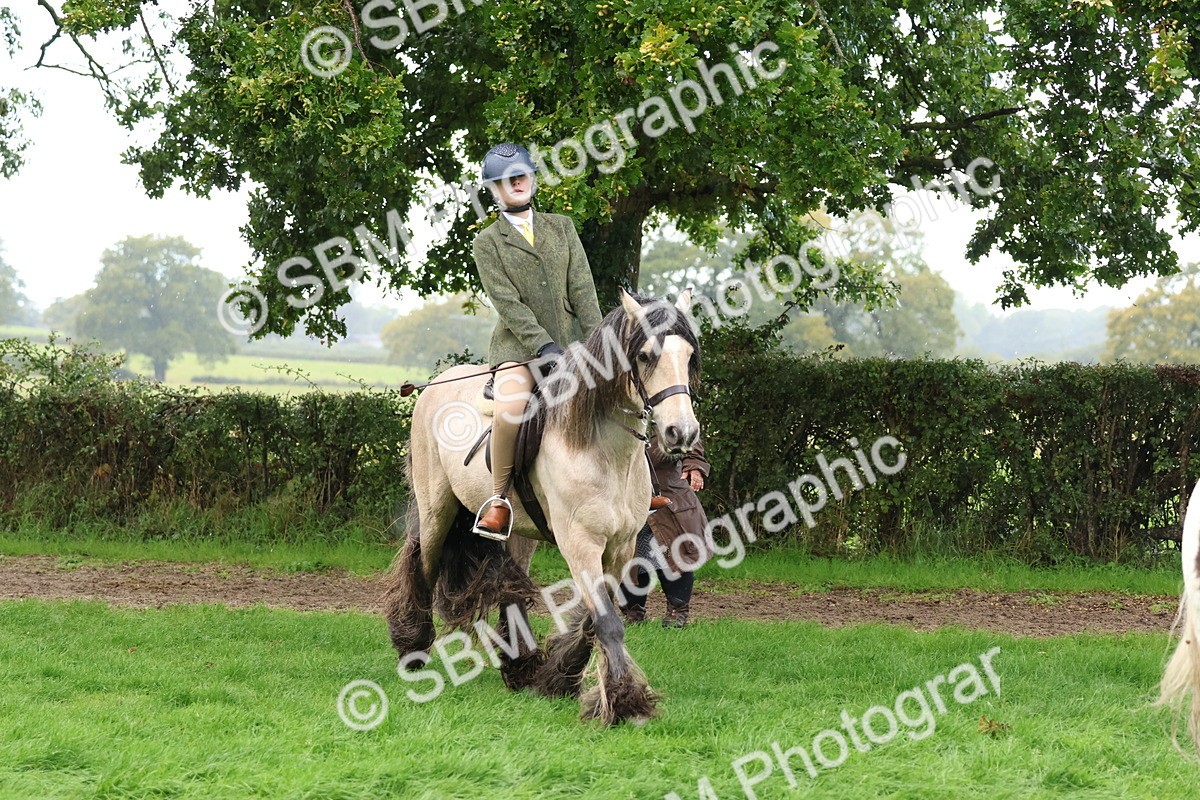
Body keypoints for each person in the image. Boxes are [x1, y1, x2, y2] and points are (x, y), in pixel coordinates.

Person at [468, 142, 607, 538]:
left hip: (574, 346)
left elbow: (583, 291)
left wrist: (600, 344)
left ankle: (642, 487)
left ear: (532, 179)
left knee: (622, 393)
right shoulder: (487, 243)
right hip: (520, 350)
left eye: (521, 175)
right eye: (506, 180)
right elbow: (507, 304)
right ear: (493, 190)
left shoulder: (562, 227)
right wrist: (543, 346)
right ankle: (498, 500)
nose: (516, 183)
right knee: (511, 408)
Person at [621, 434, 713, 627]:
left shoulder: (666, 420)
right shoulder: (619, 421)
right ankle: (633, 613)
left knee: (674, 557)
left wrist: (694, 465)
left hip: (668, 503)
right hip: (626, 504)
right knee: (628, 560)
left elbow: (688, 436)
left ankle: (677, 612)